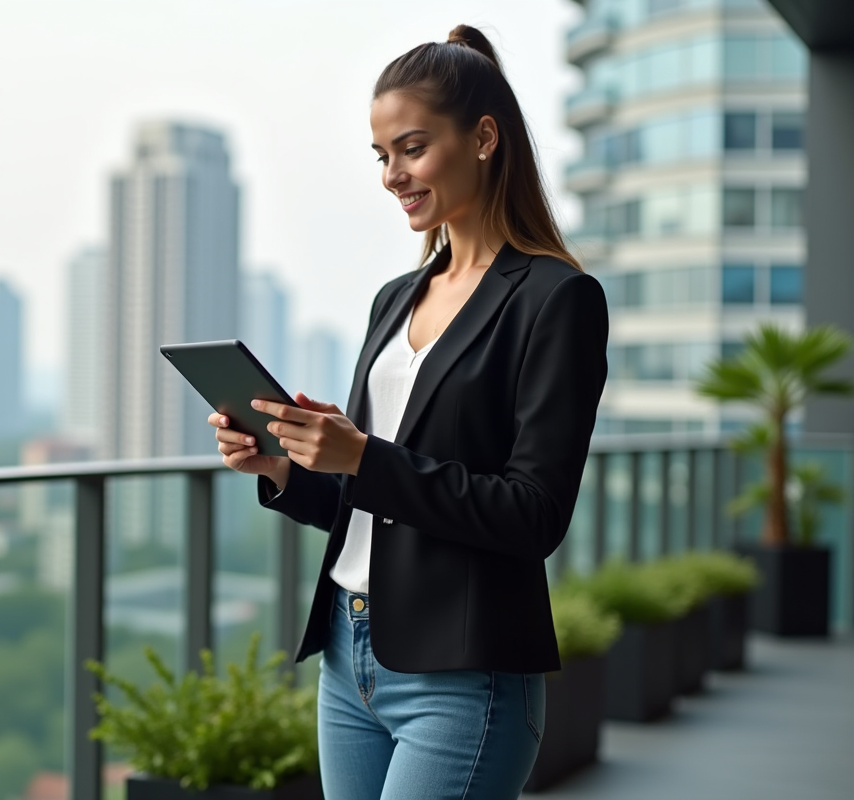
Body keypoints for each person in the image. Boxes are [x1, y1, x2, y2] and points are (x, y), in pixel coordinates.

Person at [209, 24, 608, 800]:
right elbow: (375, 505)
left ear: (484, 138)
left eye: (413, 148)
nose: (393, 174)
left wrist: (363, 455)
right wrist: (290, 467)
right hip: (346, 654)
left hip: (464, 673)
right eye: (382, 155)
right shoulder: (397, 299)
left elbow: (534, 515)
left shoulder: (557, 299)